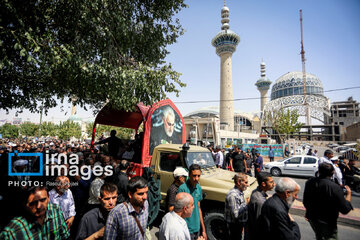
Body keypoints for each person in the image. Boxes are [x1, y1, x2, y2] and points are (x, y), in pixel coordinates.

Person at [303, 163, 353, 240]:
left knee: (319, 236)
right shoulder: (335, 187)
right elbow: (345, 209)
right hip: (328, 223)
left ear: (319, 172)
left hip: (312, 219)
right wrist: (348, 194)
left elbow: (306, 201)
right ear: (333, 172)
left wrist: (308, 212)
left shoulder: (310, 182)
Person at [0, 186, 70, 239]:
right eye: (32, 203)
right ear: (25, 204)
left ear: (49, 197)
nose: (39, 206)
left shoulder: (56, 210)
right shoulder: (11, 232)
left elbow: (64, 235)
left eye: (43, 200)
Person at [178, 164, 206, 240]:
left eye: (198, 176)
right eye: (194, 176)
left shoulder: (198, 187)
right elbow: (179, 212)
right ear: (189, 175)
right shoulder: (182, 189)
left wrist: (203, 229)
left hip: (197, 228)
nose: (196, 178)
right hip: (187, 229)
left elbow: (199, 208)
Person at [247, 172, 275, 240]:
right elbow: (259, 223)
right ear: (263, 184)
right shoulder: (260, 201)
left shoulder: (256, 191)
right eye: (271, 182)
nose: (274, 184)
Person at [224, 172, 249, 240]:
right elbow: (236, 214)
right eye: (246, 182)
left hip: (238, 225)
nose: (248, 185)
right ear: (238, 182)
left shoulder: (240, 192)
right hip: (233, 227)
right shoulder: (233, 195)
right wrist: (247, 205)